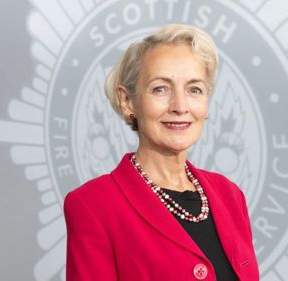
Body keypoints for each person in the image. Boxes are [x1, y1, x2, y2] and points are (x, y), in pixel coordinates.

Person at [63, 24, 260, 281]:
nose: (180, 106)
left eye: (194, 89)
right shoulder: (93, 206)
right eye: (160, 89)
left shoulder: (230, 196)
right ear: (127, 101)